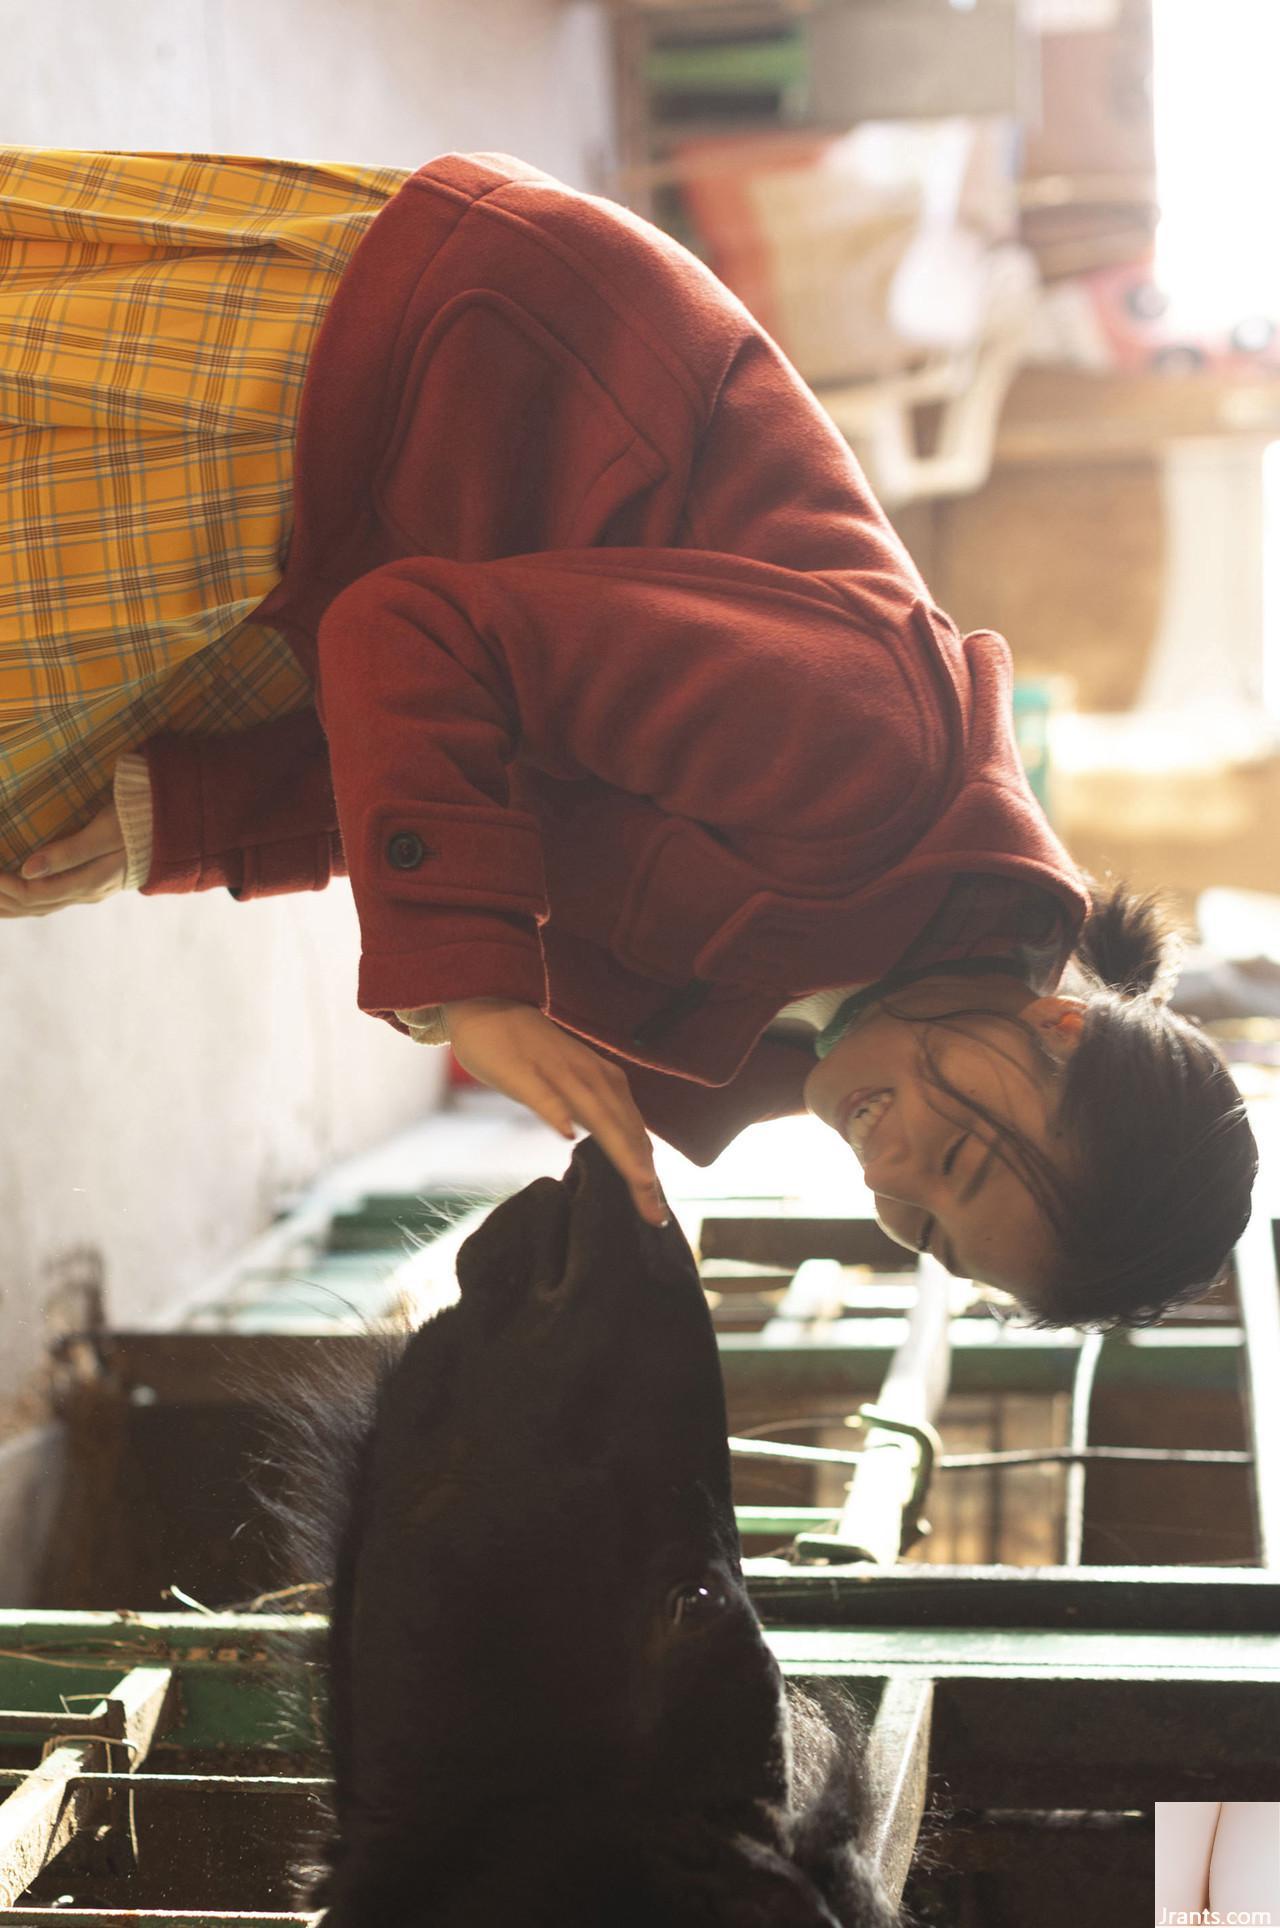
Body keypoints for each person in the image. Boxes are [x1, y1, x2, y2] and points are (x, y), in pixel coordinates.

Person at [0, 149, 1257, 1325]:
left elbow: (473, 780)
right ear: (1058, 1029)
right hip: (433, 381)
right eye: (966, 1158)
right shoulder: (875, 763)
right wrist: (475, 979)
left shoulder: (776, 1043)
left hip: (387, 560)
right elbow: (426, 636)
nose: (890, 1170)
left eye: (925, 1228)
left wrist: (184, 818)